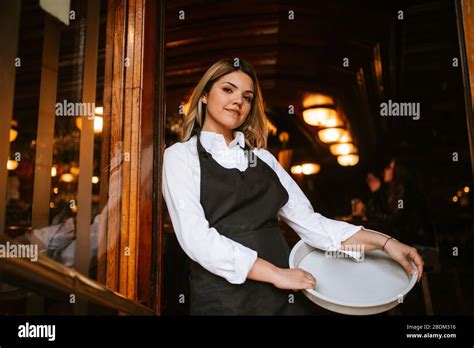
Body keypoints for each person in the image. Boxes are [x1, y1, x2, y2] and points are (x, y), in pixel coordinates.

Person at [161, 57, 424, 315]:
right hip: (224, 298)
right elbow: (196, 239)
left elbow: (311, 224)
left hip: (284, 294)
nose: (238, 101)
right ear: (205, 95)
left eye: (247, 96)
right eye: (227, 89)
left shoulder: (262, 159)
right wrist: (276, 274)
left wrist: (386, 243)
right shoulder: (179, 156)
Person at [365, 158, 434, 247]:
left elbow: (394, 221)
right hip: (410, 242)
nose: (385, 170)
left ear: (399, 172)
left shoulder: (406, 191)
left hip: (417, 245)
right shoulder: (395, 191)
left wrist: (376, 192)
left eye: (390, 167)